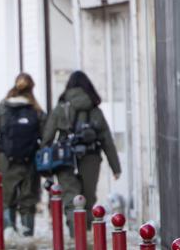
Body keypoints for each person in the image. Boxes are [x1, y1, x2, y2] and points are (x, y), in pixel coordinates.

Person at [42, 70, 121, 232]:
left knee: (71, 199)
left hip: (64, 160)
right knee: (88, 200)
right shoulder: (95, 110)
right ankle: (87, 242)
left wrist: (45, 167)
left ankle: (75, 240)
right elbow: (106, 140)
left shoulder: (60, 109)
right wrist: (116, 168)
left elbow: (47, 139)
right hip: (90, 159)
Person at [0, 73, 45, 237]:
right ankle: (27, 237)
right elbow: (46, 139)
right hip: (29, 162)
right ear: (32, 88)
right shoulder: (36, 110)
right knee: (28, 201)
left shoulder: (3, 108)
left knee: (6, 200)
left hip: (5, 160)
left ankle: (9, 238)